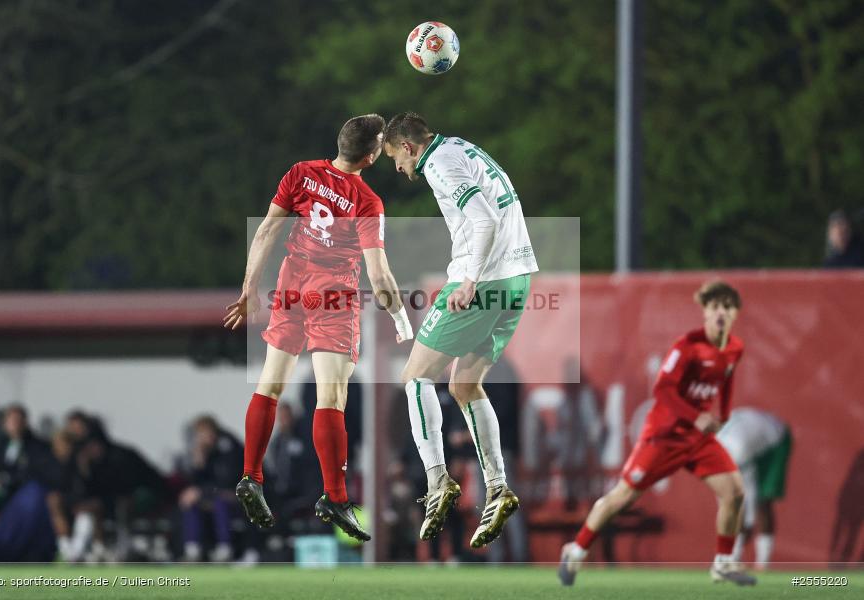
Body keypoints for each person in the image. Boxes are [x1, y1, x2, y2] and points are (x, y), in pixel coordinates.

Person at [224, 114, 414, 542]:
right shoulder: (367, 202)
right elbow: (380, 276)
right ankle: (335, 496)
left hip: (292, 285)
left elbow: (267, 230)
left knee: (269, 386)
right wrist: (402, 320)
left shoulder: (301, 173)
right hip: (333, 297)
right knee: (332, 396)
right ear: (369, 157)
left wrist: (248, 290)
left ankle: (251, 476)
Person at [383, 112, 538, 548]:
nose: (397, 167)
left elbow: (484, 219)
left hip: (485, 278)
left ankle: (437, 480)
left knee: (414, 377)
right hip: (519, 278)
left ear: (409, 147)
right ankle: (498, 486)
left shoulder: (439, 163)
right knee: (465, 386)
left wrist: (469, 279)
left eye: (395, 156)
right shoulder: (462, 147)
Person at [558, 281, 757, 586]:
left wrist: (725, 413)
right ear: (704, 311)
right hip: (664, 436)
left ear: (735, 314)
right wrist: (696, 415)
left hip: (698, 439)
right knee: (622, 498)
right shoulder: (687, 346)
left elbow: (727, 379)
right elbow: (662, 390)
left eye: (727, 307)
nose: (721, 313)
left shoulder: (734, 348)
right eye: (715, 306)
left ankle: (724, 563)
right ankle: (576, 550)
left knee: (734, 492)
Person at [716, 407, 792, 569]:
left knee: (762, 502)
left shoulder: (737, 450)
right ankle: (732, 559)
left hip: (775, 442)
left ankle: (762, 564)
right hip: (752, 438)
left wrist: (747, 523)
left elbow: (747, 494)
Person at [179, 416, 243, 562]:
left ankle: (225, 549)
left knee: (220, 503)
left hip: (237, 494)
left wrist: (201, 492)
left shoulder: (228, 446)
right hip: (212, 495)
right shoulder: (205, 451)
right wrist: (199, 463)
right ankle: (192, 550)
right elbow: (196, 482)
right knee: (191, 503)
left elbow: (227, 481)